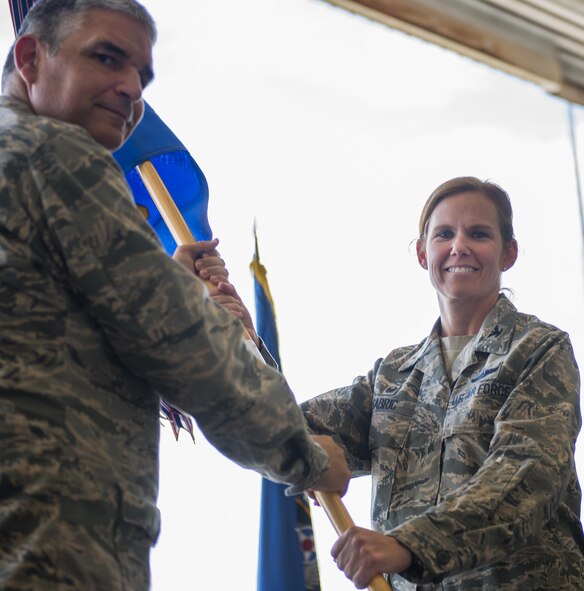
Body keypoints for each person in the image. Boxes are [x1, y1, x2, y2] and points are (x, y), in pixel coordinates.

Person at [0, 1, 350, 590]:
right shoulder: (55, 155)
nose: (130, 89)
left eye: (143, 74)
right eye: (107, 58)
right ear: (31, 57)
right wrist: (310, 457)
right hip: (52, 545)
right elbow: (187, 349)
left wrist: (162, 277)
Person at [298, 177, 584, 590]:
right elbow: (278, 425)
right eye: (444, 234)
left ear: (509, 253)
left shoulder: (539, 350)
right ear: (421, 252)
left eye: (479, 234)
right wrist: (231, 335)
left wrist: (410, 546)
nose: (459, 246)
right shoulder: (392, 377)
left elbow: (526, 475)